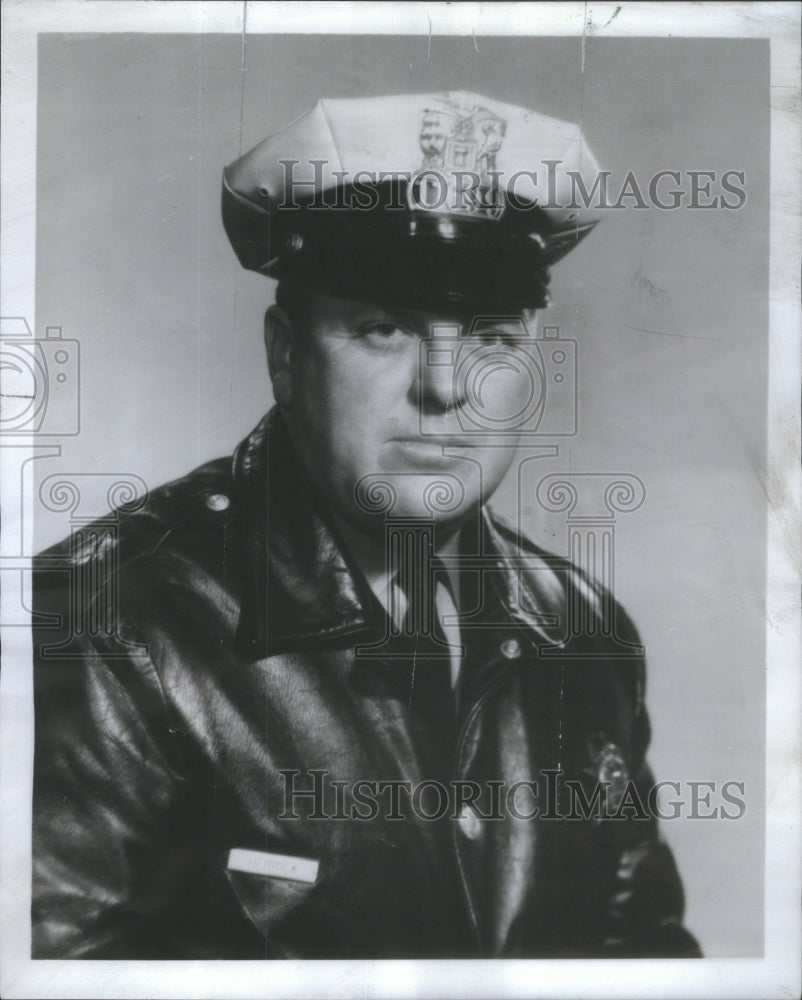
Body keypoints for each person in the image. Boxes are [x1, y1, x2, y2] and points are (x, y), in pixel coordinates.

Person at [31, 92, 700, 959]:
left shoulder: (579, 629)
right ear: (284, 354)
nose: (447, 388)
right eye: (385, 328)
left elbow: (642, 959)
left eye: (492, 337)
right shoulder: (101, 622)